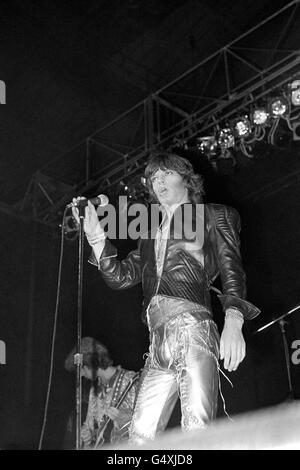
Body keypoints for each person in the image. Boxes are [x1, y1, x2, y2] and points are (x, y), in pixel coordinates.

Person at [72, 151, 260, 444]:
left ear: (187, 179)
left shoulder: (215, 215)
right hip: (157, 342)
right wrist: (96, 234)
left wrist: (234, 322)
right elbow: (120, 276)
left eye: (166, 174)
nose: (158, 182)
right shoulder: (149, 232)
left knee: (197, 428)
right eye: (153, 178)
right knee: (138, 436)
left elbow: (232, 271)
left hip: (192, 330)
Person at [64, 337, 140, 449]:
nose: (80, 375)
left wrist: (125, 419)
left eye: (82, 369)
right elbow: (90, 425)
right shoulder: (94, 389)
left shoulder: (130, 380)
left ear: (91, 364)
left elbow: (147, 423)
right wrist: (87, 435)